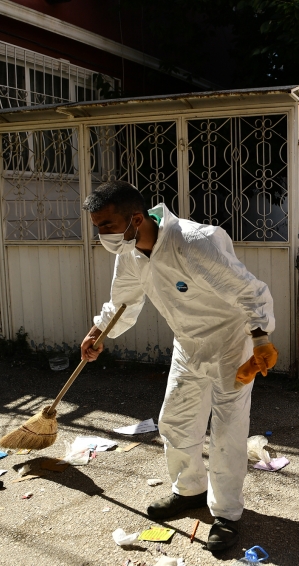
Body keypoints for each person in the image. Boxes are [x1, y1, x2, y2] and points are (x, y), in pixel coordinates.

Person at [79, 181, 277, 552]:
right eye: (97, 227)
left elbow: (251, 291)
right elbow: (122, 302)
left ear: (136, 218)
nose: (101, 235)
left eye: (106, 225)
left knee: (227, 431)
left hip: (230, 344)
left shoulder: (195, 242)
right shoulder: (129, 252)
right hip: (188, 345)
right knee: (175, 421)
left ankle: (228, 516)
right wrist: (98, 333)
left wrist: (261, 337)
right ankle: (190, 491)